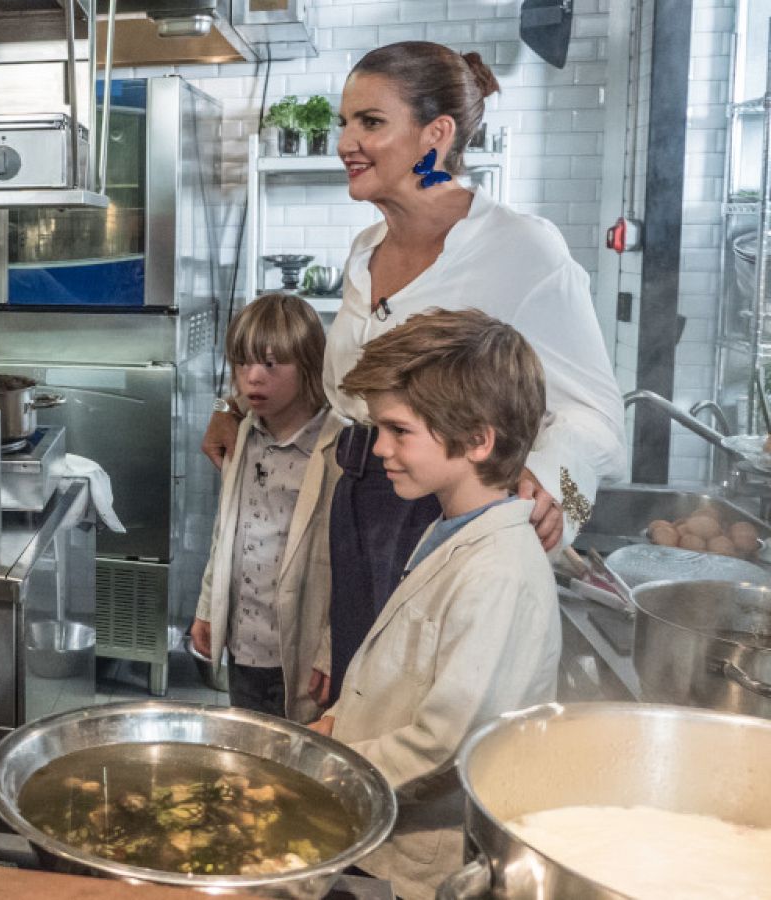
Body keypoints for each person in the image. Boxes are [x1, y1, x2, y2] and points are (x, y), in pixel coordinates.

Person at [203, 42, 624, 706]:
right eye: (344, 122)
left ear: (437, 135)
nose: (345, 141)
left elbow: (598, 414)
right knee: (358, 695)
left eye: (370, 122)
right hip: (354, 501)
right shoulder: (364, 252)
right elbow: (343, 391)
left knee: (420, 710)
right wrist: (236, 407)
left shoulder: (521, 249)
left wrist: (553, 486)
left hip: (441, 511)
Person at [311, 309, 561, 899]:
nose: (379, 449)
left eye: (399, 431)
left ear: (478, 439)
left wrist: (321, 769)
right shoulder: (451, 528)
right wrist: (334, 727)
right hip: (386, 830)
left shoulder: (498, 570)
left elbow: (446, 743)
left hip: (429, 862)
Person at [189, 294, 342, 722]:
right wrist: (207, 608)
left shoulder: (332, 451)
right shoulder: (243, 436)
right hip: (243, 647)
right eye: (243, 364)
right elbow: (225, 536)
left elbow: (346, 567)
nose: (252, 378)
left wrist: (332, 649)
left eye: (272, 365)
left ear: (309, 364)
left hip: (301, 654)